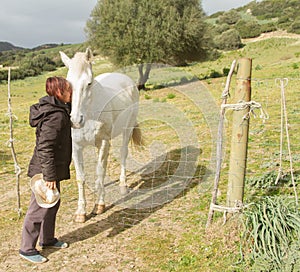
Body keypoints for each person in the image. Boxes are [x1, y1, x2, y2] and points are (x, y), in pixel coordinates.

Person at [19, 76, 73, 264]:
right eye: (69, 89)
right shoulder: (55, 115)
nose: (71, 92)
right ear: (59, 92)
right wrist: (49, 175)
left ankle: (47, 239)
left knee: (52, 204)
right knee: (38, 209)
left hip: (52, 168)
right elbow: (45, 147)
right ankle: (27, 248)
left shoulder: (59, 110)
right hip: (45, 169)